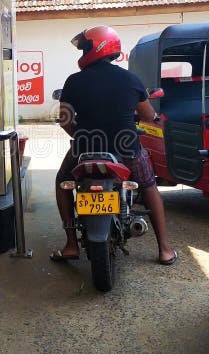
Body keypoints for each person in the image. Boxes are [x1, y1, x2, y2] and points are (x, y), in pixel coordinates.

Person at [52, 25, 177, 265]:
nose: (82, 54)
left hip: (85, 150)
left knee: (62, 184)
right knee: (149, 186)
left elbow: (66, 120)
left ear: (95, 48)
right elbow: (149, 114)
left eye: (84, 48)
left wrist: (81, 136)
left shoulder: (74, 81)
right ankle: (164, 249)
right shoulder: (130, 79)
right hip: (127, 148)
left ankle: (70, 244)